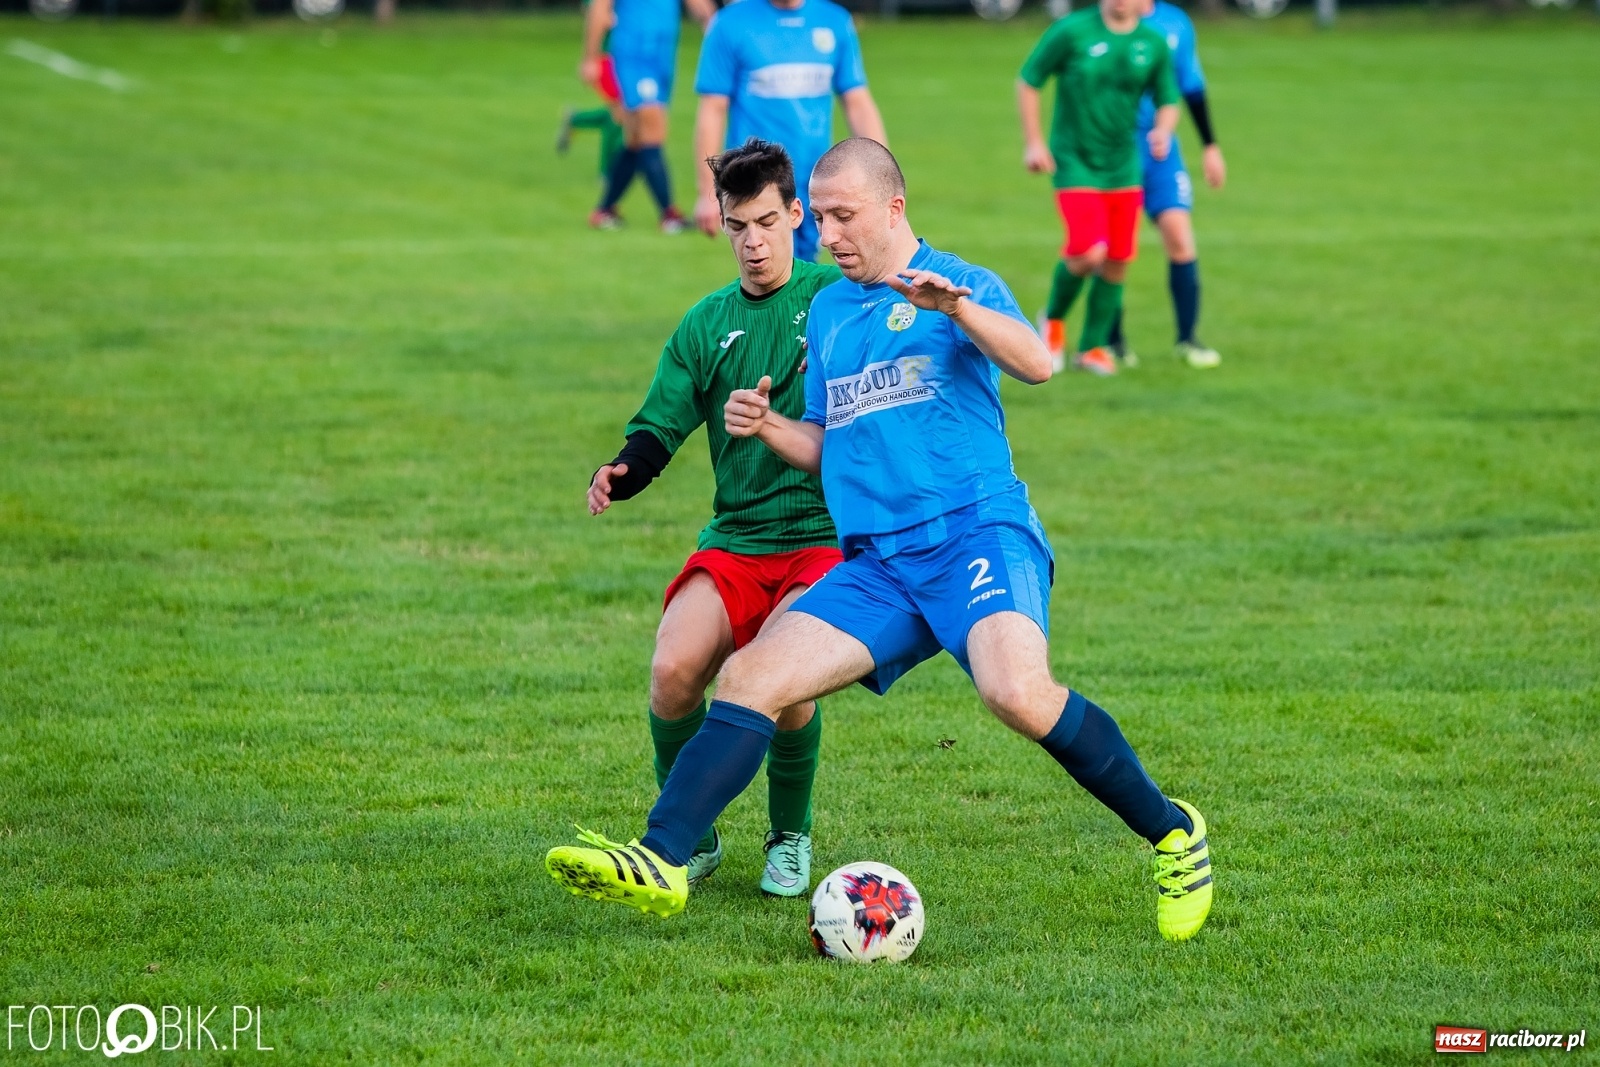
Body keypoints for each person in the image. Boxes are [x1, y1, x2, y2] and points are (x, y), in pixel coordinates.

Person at [548, 139, 1215, 944]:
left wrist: (957, 307)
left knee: (1016, 692)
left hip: (975, 531)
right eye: (821, 217)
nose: (826, 235)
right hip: (881, 565)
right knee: (750, 675)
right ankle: (661, 856)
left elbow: (1039, 363)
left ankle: (1176, 834)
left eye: (842, 216)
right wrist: (770, 428)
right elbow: (835, 442)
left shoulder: (958, 282)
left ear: (894, 208)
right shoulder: (828, 311)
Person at [582, 139, 844, 897]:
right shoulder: (707, 323)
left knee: (784, 679)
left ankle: (790, 835)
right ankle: (691, 835)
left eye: (768, 222)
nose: (755, 242)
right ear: (722, 225)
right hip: (736, 539)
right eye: (738, 227)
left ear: (798, 215)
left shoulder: (835, 302)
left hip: (821, 540)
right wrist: (620, 471)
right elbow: (659, 428)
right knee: (671, 673)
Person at [1017, 0, 1180, 377]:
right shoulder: (1072, 31)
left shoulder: (1152, 43)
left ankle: (1092, 347)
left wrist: (1163, 130)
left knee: (1118, 259)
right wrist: (1034, 141)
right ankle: (1052, 321)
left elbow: (1168, 98)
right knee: (1089, 251)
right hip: (1074, 162)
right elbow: (1029, 80)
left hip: (1123, 167)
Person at [689, 0, 888, 262]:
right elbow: (713, 109)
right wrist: (706, 192)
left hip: (816, 180)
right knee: (771, 272)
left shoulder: (834, 20)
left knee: (805, 268)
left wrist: (881, 179)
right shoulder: (729, 24)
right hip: (757, 182)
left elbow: (857, 103)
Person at [1106, 0, 1228, 369]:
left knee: (1179, 237)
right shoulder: (1100, 25)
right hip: (1113, 149)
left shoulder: (1175, 23)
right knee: (1115, 249)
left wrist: (1210, 146)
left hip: (1161, 149)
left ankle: (1187, 339)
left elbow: (1190, 84)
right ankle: (1111, 343)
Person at [583, 0, 716, 232]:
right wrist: (591, 57)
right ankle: (669, 215)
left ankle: (604, 210)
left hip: (663, 56)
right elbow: (599, 9)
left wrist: (714, 26)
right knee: (652, 131)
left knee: (635, 140)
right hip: (634, 54)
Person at [557, 5, 625, 184]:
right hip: (606, 59)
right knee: (618, 114)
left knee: (622, 114)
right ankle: (606, 172)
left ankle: (575, 119)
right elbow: (593, 13)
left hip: (626, 58)